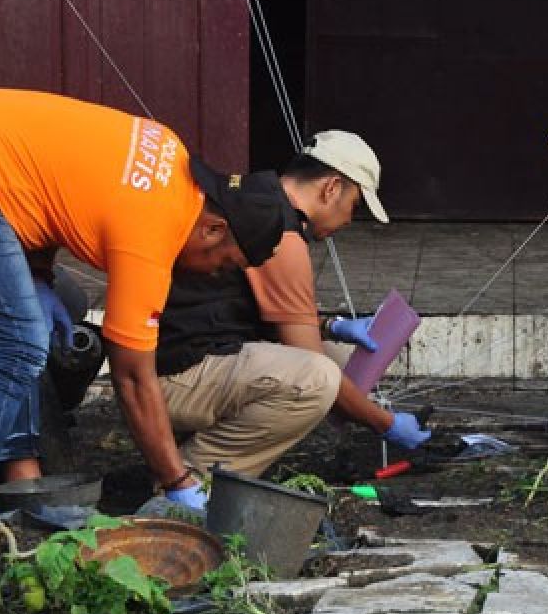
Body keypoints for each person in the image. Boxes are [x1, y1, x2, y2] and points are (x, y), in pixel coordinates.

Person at [0, 89, 287, 571]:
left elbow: (55, 178)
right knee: (17, 344)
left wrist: (40, 276)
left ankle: (24, 484)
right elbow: (133, 379)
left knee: (28, 331)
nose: (214, 274)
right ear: (215, 229)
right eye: (225, 265)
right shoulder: (153, 237)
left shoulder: (170, 152)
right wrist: (179, 484)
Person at [152, 130, 430, 480]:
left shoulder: (258, 197)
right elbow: (310, 361)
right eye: (354, 207)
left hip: (177, 353)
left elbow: (260, 309)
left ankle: (212, 442)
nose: (347, 220)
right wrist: (386, 424)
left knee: (346, 362)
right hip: (168, 379)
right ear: (331, 188)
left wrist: (332, 326)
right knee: (318, 379)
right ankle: (188, 478)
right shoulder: (280, 235)